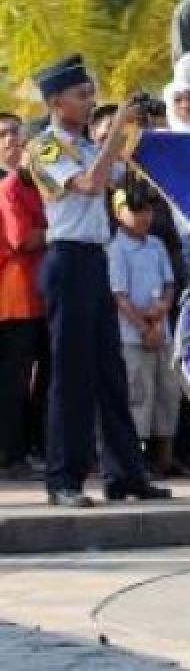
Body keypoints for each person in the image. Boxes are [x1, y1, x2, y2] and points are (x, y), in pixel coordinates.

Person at [26, 56, 170, 507]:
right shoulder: (44, 147)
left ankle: (125, 474)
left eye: (91, 95)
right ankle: (63, 479)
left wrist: (136, 131)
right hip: (66, 260)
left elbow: (123, 177)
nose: (90, 103)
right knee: (70, 374)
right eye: (81, 95)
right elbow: (89, 185)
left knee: (111, 372)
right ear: (55, 102)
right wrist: (113, 132)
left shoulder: (89, 146)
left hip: (95, 260)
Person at [107, 187, 179, 478]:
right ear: (119, 213)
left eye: (147, 210)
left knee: (167, 393)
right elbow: (119, 296)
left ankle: (166, 458)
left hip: (161, 331)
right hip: (132, 335)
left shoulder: (157, 245)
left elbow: (169, 283)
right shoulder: (116, 249)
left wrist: (162, 311)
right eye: (135, 211)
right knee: (138, 395)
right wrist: (144, 328)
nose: (143, 217)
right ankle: (136, 461)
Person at [0, 114, 46, 479]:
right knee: (14, 379)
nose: (12, 140)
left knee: (44, 378)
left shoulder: (40, 181)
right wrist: (60, 226)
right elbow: (21, 240)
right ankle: (12, 454)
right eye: (4, 135)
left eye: (17, 133)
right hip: (15, 296)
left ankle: (38, 448)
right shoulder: (11, 185)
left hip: (44, 292)